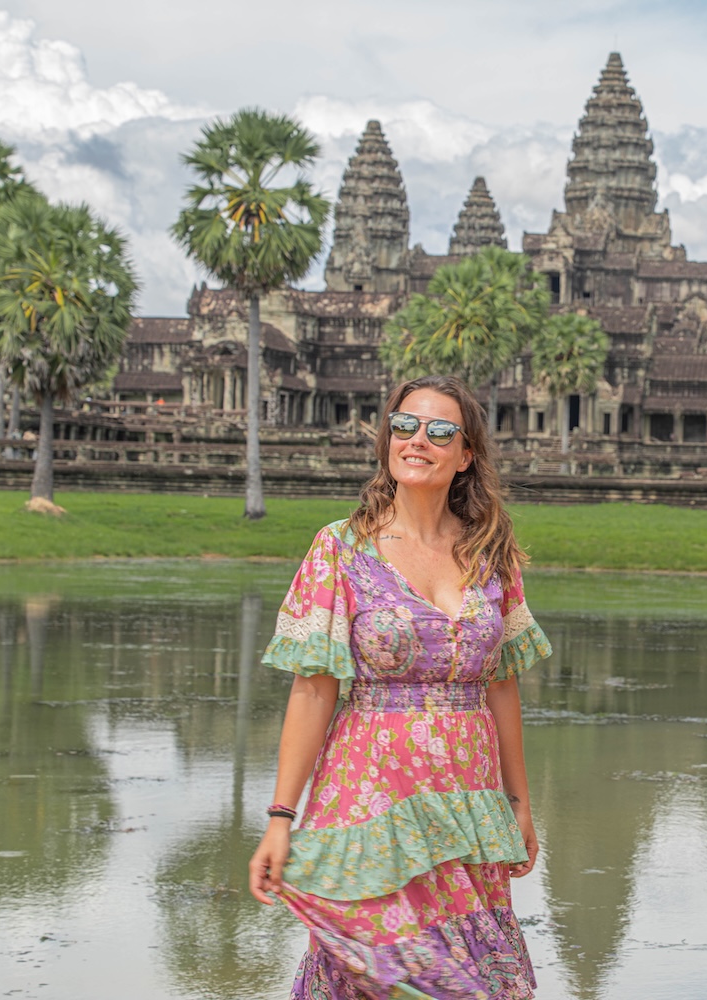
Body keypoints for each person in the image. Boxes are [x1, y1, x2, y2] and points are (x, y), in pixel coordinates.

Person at [250, 374, 551, 1000]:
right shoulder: (340, 548)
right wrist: (281, 816)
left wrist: (519, 804)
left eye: (440, 431)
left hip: (467, 796)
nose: (419, 440)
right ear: (387, 440)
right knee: (378, 977)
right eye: (405, 426)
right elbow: (313, 691)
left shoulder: (491, 554)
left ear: (465, 455)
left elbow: (501, 686)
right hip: (370, 794)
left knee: (478, 978)